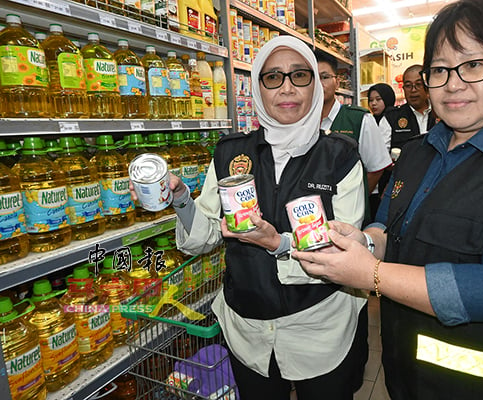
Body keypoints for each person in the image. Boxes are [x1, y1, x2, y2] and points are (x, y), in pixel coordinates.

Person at [294, 1, 483, 399]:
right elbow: (390, 225)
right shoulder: (418, 152)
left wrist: (371, 275)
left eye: (474, 64)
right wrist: (366, 242)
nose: (453, 83)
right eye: (440, 69)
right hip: (407, 372)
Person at [135, 36, 368, 399]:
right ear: (258, 87)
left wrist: (277, 244)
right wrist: (181, 198)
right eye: (272, 77)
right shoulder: (231, 153)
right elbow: (204, 238)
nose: (286, 87)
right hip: (247, 333)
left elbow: (344, 253)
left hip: (319, 330)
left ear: (316, 86)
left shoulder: (339, 157)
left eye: (299, 75)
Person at [317, 54, 391, 227]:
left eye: (325, 77)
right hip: (313, 222)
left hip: (351, 221)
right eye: (312, 77)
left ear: (337, 81)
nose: (319, 84)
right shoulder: (300, 121)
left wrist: (359, 197)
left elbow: (376, 168)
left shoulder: (359, 119)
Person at [385, 64, 437, 150]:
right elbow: (382, 155)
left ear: (427, 86)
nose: (413, 90)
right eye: (408, 85)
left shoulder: (441, 113)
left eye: (418, 84)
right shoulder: (391, 118)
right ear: (403, 88)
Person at [367, 83, 396, 219]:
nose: (374, 104)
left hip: (386, 180)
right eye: (371, 100)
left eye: (378, 99)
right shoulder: (370, 120)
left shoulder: (391, 118)